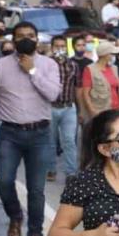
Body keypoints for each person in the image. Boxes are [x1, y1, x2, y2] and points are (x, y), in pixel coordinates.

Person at [0, 21, 61, 236]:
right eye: (20, 36)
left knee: (36, 189)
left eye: (30, 35)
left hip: (40, 133)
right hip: (10, 132)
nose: (25, 39)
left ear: (37, 39)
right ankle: (15, 216)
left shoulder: (48, 65)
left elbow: (53, 94)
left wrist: (32, 71)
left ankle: (35, 235)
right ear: (13, 40)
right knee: (4, 180)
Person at [47, 35, 79, 182]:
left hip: (68, 108)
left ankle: (71, 173)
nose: (60, 49)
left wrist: (80, 109)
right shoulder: (47, 64)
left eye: (62, 46)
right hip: (50, 107)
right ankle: (51, 170)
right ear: (52, 48)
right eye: (57, 46)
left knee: (69, 140)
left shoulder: (73, 65)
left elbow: (77, 88)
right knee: (50, 141)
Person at [82, 41, 119, 119]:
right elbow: (85, 94)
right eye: (112, 53)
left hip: (117, 109)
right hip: (101, 110)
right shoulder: (90, 69)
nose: (113, 56)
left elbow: (118, 87)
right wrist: (92, 111)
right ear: (105, 55)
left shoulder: (114, 68)